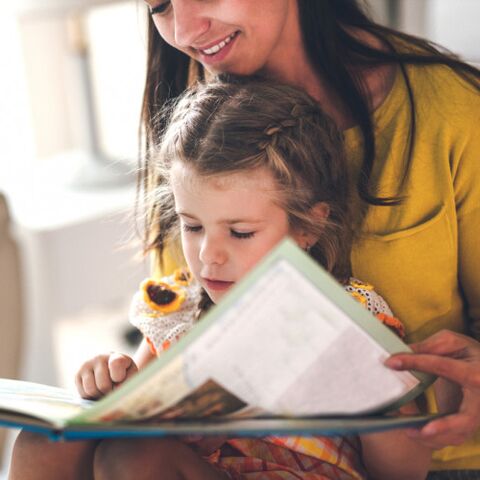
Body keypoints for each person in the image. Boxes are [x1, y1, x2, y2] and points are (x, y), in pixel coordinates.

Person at [10, 77, 432, 480]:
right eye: (192, 226)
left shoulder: (348, 317)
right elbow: (130, 415)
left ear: (309, 228)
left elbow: (405, 472)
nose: (209, 254)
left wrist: (376, 400)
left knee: (137, 459)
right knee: (45, 442)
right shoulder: (174, 313)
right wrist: (108, 383)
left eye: (240, 232)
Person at [139, 0, 480, 473]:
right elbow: (175, 328)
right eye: (158, 4)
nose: (184, 30)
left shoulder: (453, 111)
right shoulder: (193, 136)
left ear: (312, 224)